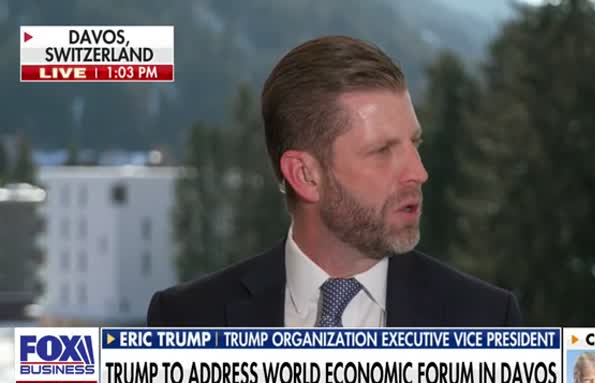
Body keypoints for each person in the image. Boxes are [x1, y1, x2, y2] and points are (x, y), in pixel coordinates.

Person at [147, 35, 522, 328]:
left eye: (415, 144)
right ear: (305, 175)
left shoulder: (487, 320)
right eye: (382, 151)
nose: (418, 172)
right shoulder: (185, 319)